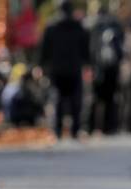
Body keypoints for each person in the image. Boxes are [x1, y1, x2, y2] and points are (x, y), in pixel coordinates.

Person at [39, 1, 89, 139]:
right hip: (74, 68)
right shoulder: (78, 26)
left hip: (57, 69)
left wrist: (42, 65)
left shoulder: (51, 26)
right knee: (75, 101)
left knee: (57, 99)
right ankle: (75, 130)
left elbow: (44, 50)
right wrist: (87, 64)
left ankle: (58, 130)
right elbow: (85, 49)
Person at [88, 6, 124, 134]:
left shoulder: (93, 26)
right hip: (112, 69)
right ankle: (110, 126)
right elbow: (121, 49)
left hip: (97, 68)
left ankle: (93, 126)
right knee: (111, 98)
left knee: (95, 99)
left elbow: (90, 49)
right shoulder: (116, 25)